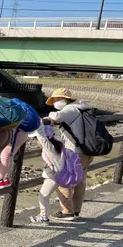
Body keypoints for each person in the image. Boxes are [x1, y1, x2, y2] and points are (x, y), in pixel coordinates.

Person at [44, 88, 94, 221]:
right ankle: (76, 210)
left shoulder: (71, 109)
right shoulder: (83, 109)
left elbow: (56, 116)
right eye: (54, 100)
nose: (55, 102)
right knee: (80, 180)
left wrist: (48, 117)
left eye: (56, 99)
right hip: (87, 149)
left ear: (65, 99)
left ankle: (67, 211)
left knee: (63, 179)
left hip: (74, 151)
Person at [30, 125, 65, 225]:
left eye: (36, 139)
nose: (36, 141)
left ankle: (44, 217)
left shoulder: (49, 147)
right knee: (45, 195)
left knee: (43, 196)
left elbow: (42, 137)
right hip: (58, 175)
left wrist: (39, 125)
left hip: (53, 176)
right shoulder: (58, 145)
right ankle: (43, 216)